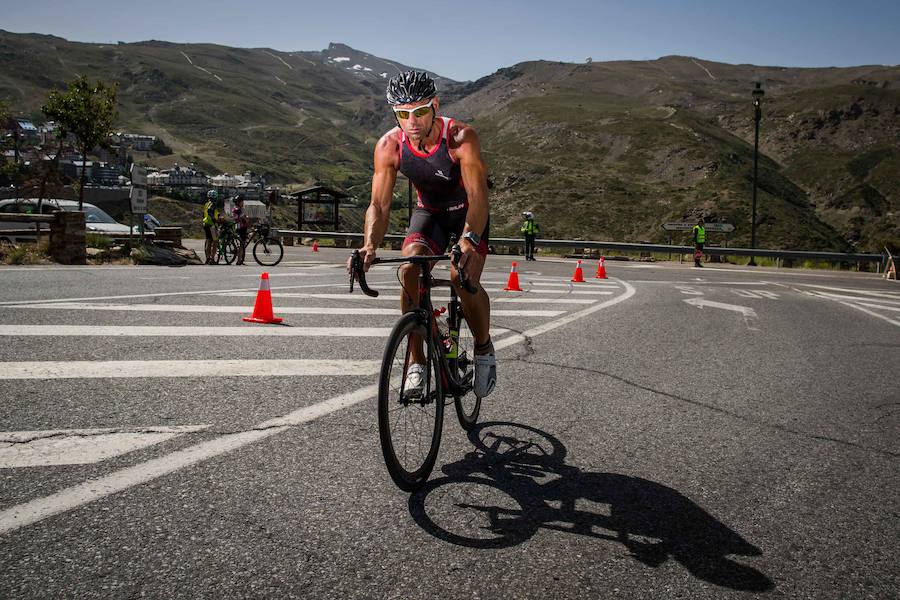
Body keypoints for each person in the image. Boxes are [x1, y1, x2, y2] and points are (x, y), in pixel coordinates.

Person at [347, 70, 496, 399]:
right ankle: (417, 363)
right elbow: (379, 205)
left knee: (461, 276)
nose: (411, 121)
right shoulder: (389, 145)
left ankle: (484, 348)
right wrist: (369, 245)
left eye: (419, 111)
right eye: (402, 113)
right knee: (409, 269)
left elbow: (479, 196)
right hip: (429, 213)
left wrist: (468, 240)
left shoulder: (460, 137)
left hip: (467, 213)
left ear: (435, 106)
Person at [202, 190, 220, 264]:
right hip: (212, 225)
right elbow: (210, 212)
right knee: (215, 241)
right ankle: (212, 259)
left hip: (206, 224)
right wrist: (214, 220)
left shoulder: (206, 204)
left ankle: (207, 258)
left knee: (208, 241)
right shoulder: (213, 204)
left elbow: (204, 214)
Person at [231, 195, 250, 265]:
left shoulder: (235, 209)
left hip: (238, 227)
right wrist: (247, 219)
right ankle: (239, 260)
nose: (243, 203)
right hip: (241, 228)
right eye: (242, 202)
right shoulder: (238, 210)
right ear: (239, 202)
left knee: (242, 244)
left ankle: (241, 259)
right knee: (242, 245)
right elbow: (245, 218)